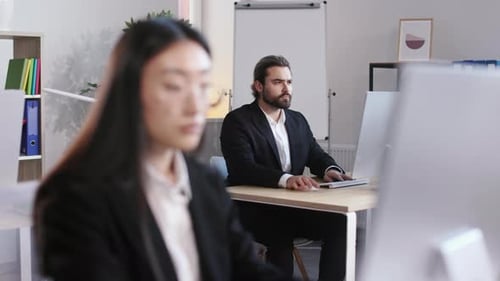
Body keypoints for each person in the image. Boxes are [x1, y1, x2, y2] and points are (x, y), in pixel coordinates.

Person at [33, 20, 292, 281]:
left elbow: (250, 270)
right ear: (131, 92)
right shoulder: (76, 199)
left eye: (202, 86)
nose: (195, 106)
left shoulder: (205, 184)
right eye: (174, 86)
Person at [220, 55, 352, 281]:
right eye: (278, 82)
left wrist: (330, 168)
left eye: (289, 82)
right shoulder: (238, 121)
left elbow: (314, 153)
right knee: (279, 234)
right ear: (259, 86)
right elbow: (243, 168)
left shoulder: (297, 120)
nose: (286, 88)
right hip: (252, 209)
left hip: (291, 206)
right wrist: (286, 179)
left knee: (339, 223)